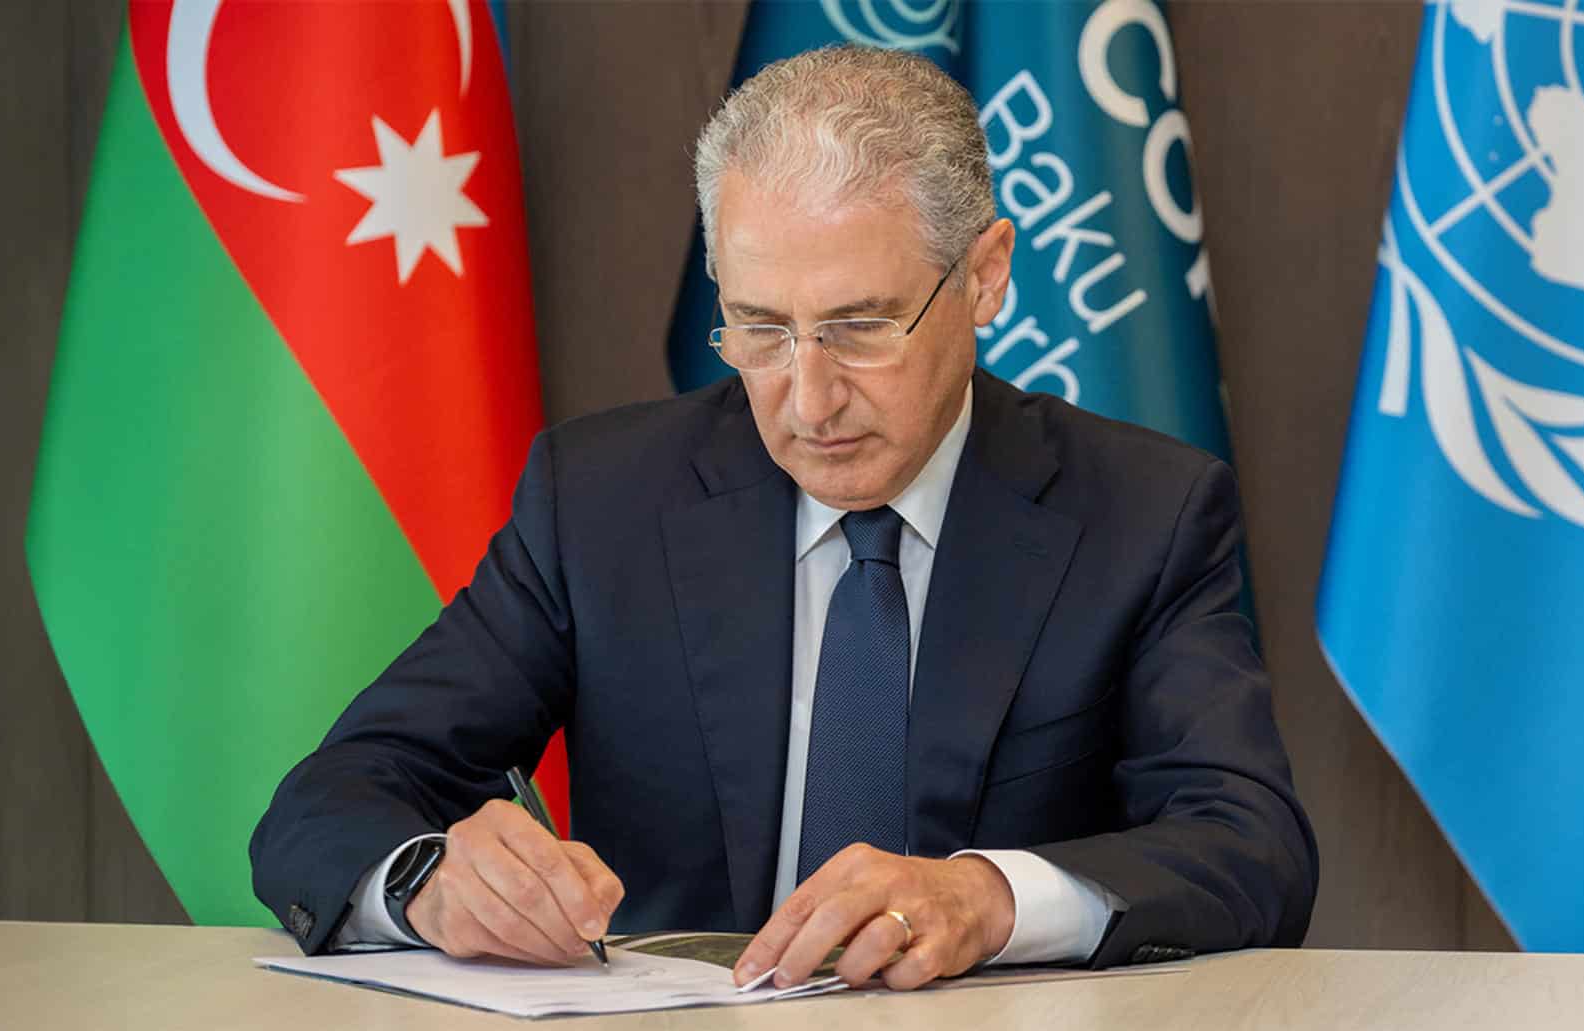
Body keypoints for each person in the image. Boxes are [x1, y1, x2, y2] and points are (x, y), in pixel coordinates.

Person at [250, 46, 1316, 991]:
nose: (807, 400)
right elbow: (329, 798)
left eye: (859, 328)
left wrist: (987, 897)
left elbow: (1250, 845)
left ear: (985, 275)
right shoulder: (604, 497)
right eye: (760, 329)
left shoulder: (1144, 509)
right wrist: (431, 880)